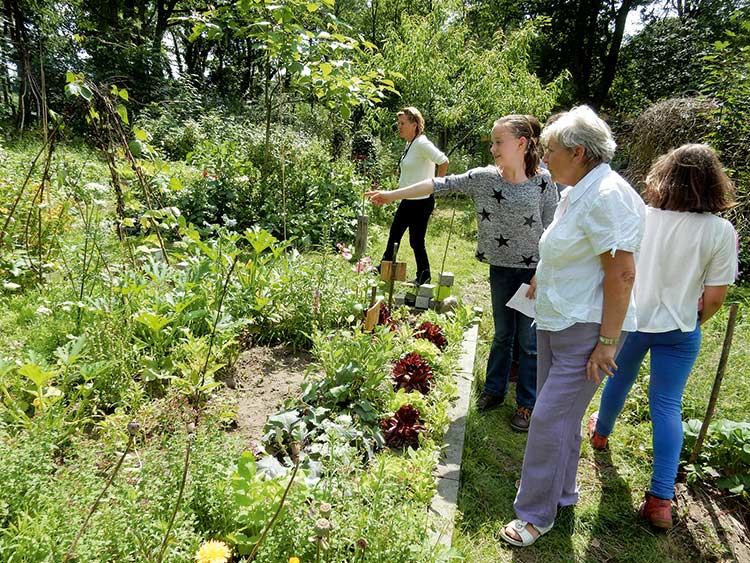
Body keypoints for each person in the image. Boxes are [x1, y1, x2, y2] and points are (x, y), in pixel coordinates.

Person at [500, 105, 646, 547]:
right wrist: (541, 279)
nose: (544, 159)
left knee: (546, 419)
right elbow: (568, 250)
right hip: (557, 319)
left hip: (588, 329)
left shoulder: (607, 195)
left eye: (550, 151)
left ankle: (534, 514)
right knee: (560, 418)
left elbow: (621, 273)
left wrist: (608, 342)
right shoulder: (576, 190)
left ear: (579, 152)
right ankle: (562, 493)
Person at [367, 114, 557, 431]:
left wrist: (545, 272)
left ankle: (527, 404)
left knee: (529, 341)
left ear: (521, 143)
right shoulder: (485, 178)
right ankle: (493, 392)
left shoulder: (543, 182)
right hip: (501, 268)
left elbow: (554, 230)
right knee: (502, 335)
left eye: (499, 142)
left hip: (532, 274)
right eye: (493, 142)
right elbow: (438, 184)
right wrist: (391, 195)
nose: (493, 148)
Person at [588, 143, 737, 529]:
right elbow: (717, 298)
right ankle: (660, 500)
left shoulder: (643, 215)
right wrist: (692, 321)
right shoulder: (721, 231)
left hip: (633, 320)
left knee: (617, 377)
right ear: (713, 184)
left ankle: (601, 435)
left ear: (663, 176)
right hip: (680, 328)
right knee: (667, 406)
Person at [379, 107, 449, 285]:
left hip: (422, 201)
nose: (399, 127)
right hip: (408, 200)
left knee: (416, 241)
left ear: (415, 124)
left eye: (402, 123)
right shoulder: (410, 144)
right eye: (398, 123)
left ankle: (424, 277)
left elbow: (443, 161)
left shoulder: (421, 143)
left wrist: (436, 186)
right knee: (395, 233)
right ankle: (384, 267)